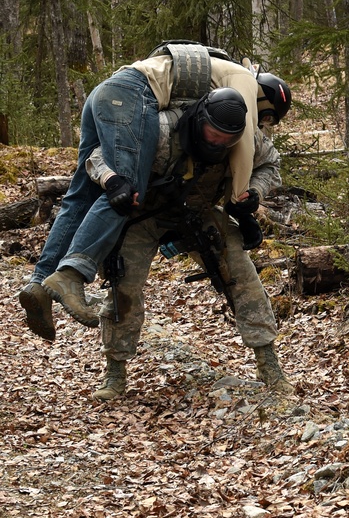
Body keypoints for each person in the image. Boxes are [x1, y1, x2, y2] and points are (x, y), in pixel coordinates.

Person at [17, 46, 291, 340]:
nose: (263, 126)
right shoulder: (239, 88)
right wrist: (238, 198)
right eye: (268, 119)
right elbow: (246, 146)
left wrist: (255, 194)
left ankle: (39, 282)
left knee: (79, 197)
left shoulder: (214, 87)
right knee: (126, 188)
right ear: (264, 98)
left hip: (107, 94)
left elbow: (266, 162)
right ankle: (71, 275)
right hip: (129, 97)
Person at [88, 88, 293, 400]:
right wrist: (113, 182)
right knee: (123, 286)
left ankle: (269, 363)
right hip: (143, 213)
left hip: (199, 213)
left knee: (243, 275)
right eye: (214, 134)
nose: (220, 143)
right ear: (200, 120)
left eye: (228, 138)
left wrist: (255, 191)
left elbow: (270, 164)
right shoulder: (158, 129)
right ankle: (115, 372)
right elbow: (98, 155)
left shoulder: (248, 138)